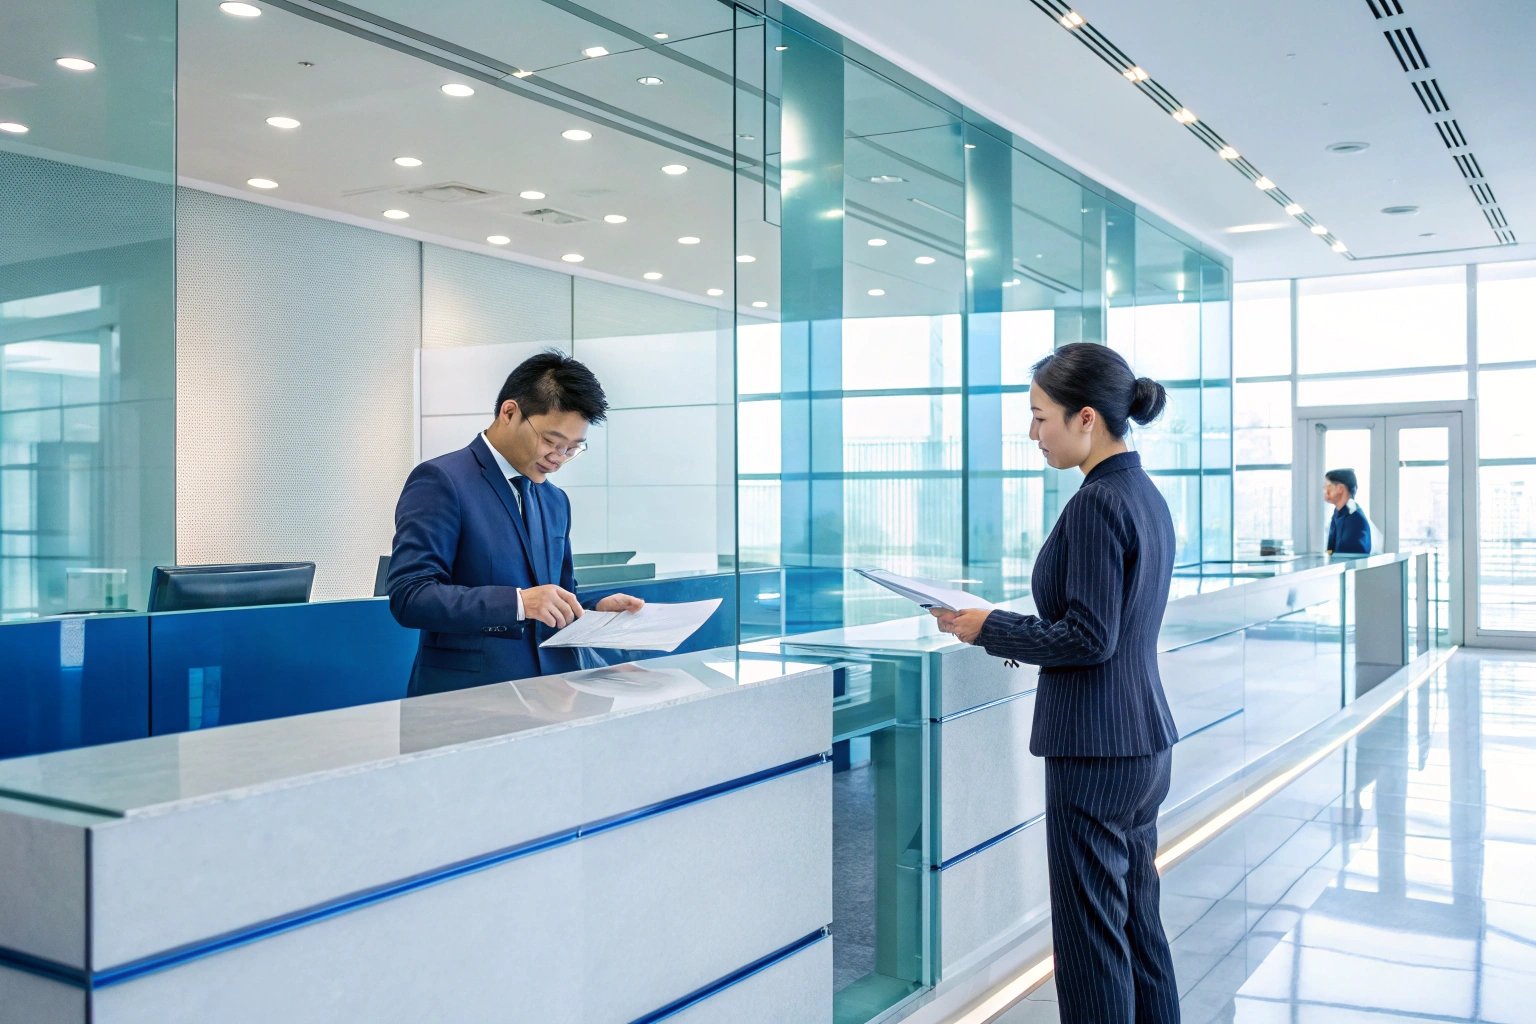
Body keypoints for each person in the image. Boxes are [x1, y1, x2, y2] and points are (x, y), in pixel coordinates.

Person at [933, 342, 1180, 1024]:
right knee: (1137, 923)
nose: (1033, 433)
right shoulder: (1145, 495)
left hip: (1095, 747)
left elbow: (1087, 637)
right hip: (1142, 740)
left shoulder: (1097, 504)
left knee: (1092, 940)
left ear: (1087, 420)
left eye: (1041, 417)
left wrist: (988, 626)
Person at [387, 351, 643, 697]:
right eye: (552, 441)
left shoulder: (554, 500)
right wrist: (519, 603)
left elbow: (556, 593)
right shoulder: (442, 481)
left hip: (554, 695)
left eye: (573, 449)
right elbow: (411, 596)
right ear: (509, 412)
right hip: (468, 699)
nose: (559, 458)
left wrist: (596, 609)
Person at [1324, 467, 1371, 555]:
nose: (1325, 491)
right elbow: (1331, 549)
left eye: (1328, 486)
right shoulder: (1338, 513)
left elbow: (1350, 556)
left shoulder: (1355, 519)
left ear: (1340, 489)